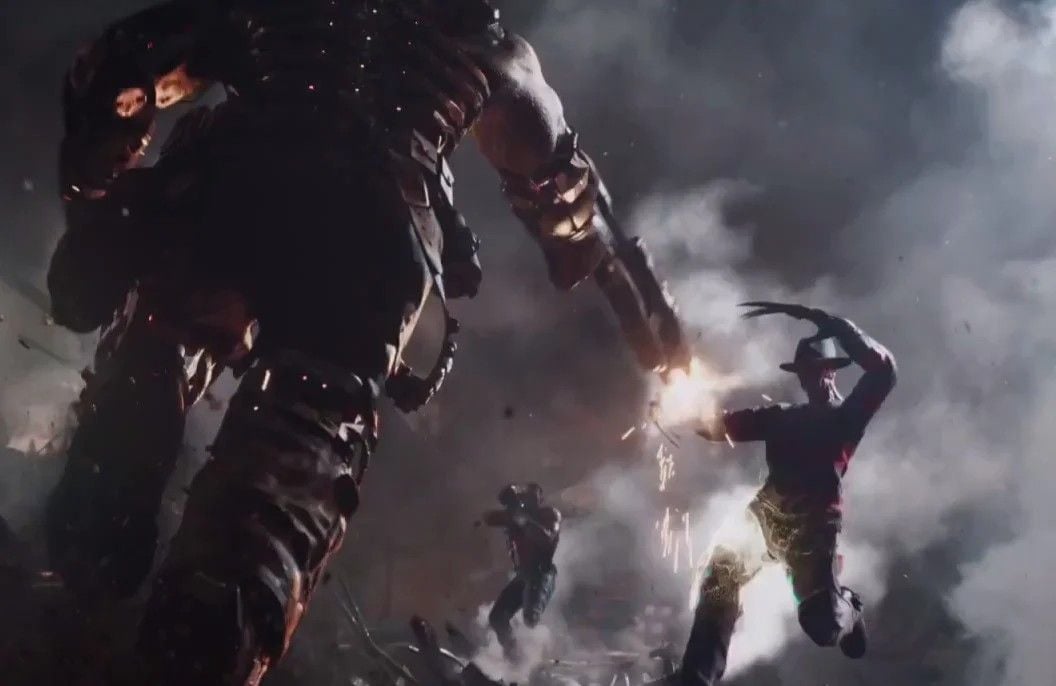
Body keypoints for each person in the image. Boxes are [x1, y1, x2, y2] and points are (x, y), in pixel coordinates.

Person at [45, 2, 687, 683]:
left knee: (159, 352)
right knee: (275, 496)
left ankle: (117, 475)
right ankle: (196, 605)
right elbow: (573, 207)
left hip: (231, 188)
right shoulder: (491, 51)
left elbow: (118, 71)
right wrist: (656, 332)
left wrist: (95, 206)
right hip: (369, 242)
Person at [681, 302, 897, 686]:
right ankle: (697, 677)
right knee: (720, 576)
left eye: (817, 371)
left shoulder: (846, 418)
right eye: (804, 373)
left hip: (811, 531)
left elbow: (884, 371)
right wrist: (684, 408)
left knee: (822, 626)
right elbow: (718, 427)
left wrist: (836, 325)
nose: (811, 379)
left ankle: (849, 609)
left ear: (831, 371)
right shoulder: (781, 417)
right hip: (765, 519)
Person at [483, 483, 561, 659]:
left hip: (542, 573)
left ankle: (541, 655)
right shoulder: (515, 515)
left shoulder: (548, 515)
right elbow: (489, 518)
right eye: (526, 495)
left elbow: (547, 538)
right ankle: (515, 655)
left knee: (530, 618)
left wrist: (523, 520)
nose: (529, 499)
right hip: (523, 575)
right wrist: (511, 505)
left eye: (533, 495)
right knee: (497, 617)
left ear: (541, 499)